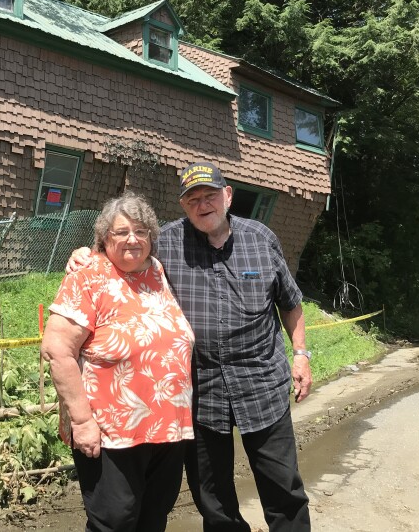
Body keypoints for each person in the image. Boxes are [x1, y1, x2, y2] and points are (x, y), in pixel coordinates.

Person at [68, 162, 312, 532]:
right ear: (183, 205)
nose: (203, 205)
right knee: (213, 501)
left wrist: (301, 354)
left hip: (262, 388)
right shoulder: (164, 242)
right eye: (193, 198)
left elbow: (290, 302)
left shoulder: (261, 239)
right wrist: (86, 254)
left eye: (210, 195)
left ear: (227, 196)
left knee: (284, 490)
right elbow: (124, 249)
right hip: (202, 397)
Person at [41, 192, 195, 532]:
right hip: (111, 430)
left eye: (140, 231)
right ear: (103, 238)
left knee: (154, 514)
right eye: (121, 232)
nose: (132, 239)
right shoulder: (88, 274)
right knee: (115, 520)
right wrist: (81, 422)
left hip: (168, 427)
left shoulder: (157, 269)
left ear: (151, 237)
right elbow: (57, 350)